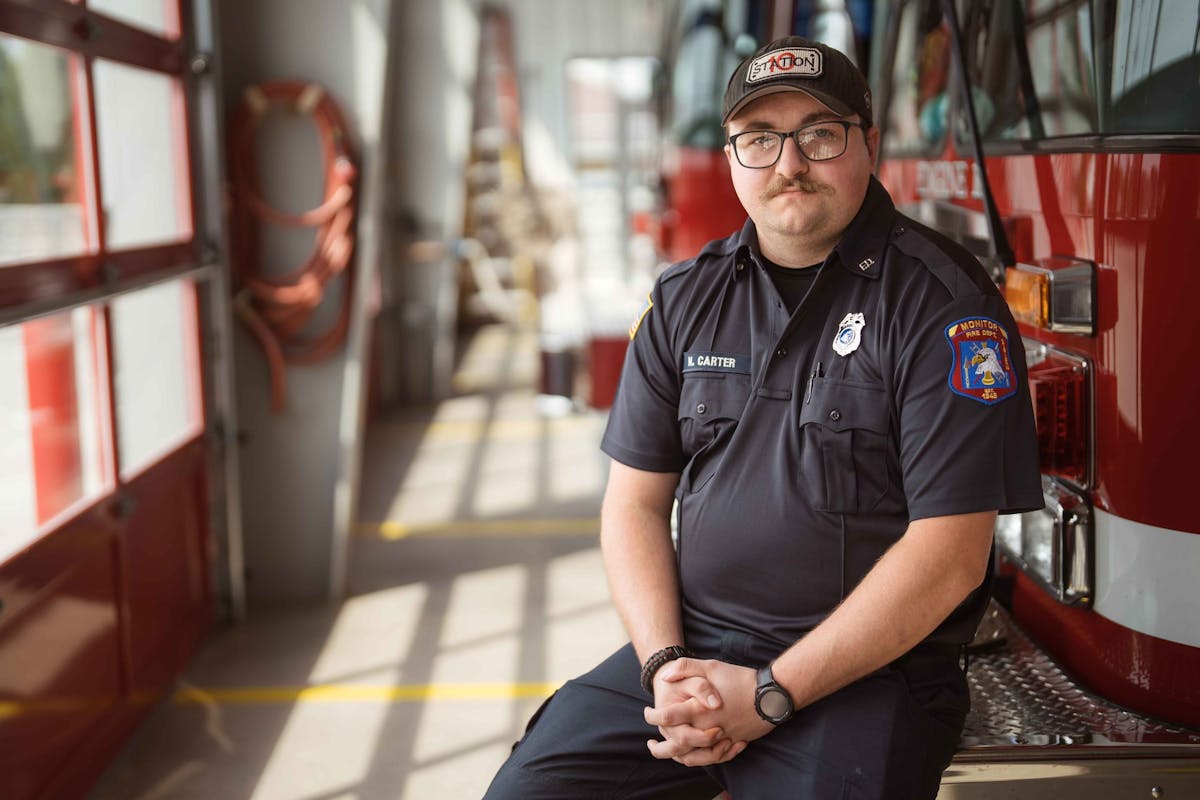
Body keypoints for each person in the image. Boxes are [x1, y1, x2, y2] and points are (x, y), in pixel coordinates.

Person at [483, 35, 1042, 800]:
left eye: (819, 134)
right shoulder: (686, 298)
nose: (788, 164)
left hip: (869, 674)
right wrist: (666, 667)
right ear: (732, 155)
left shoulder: (943, 306)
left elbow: (950, 555)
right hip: (695, 648)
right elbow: (634, 505)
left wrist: (770, 693)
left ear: (868, 144)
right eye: (759, 139)